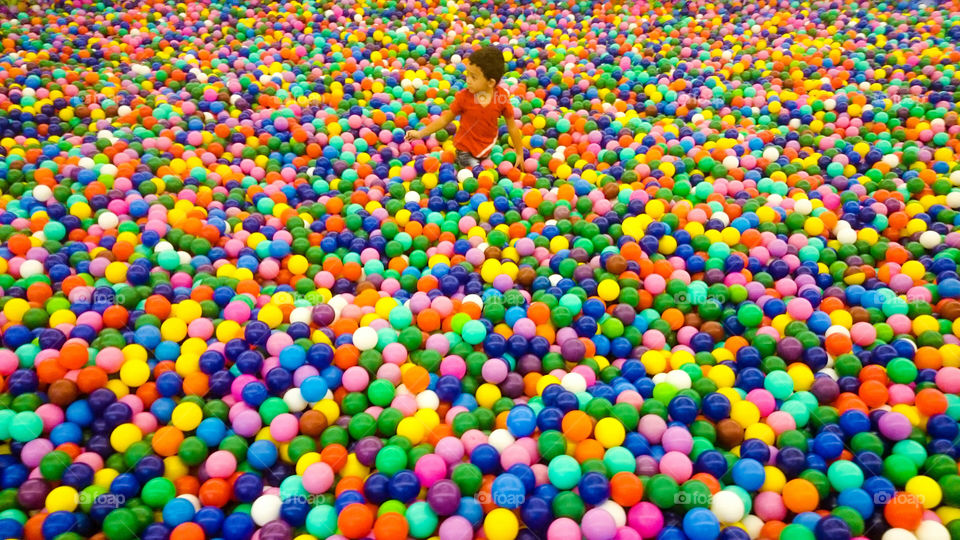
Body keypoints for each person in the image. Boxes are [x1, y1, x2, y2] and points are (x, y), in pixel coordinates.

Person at [406, 46, 524, 170]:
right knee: (475, 173)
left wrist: (519, 153)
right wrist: (421, 133)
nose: (468, 80)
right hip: (465, 151)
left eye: (473, 77)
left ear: (490, 82)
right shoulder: (463, 97)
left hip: (486, 149)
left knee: (485, 168)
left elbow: (512, 127)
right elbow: (445, 119)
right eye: (467, 74)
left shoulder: (501, 97)